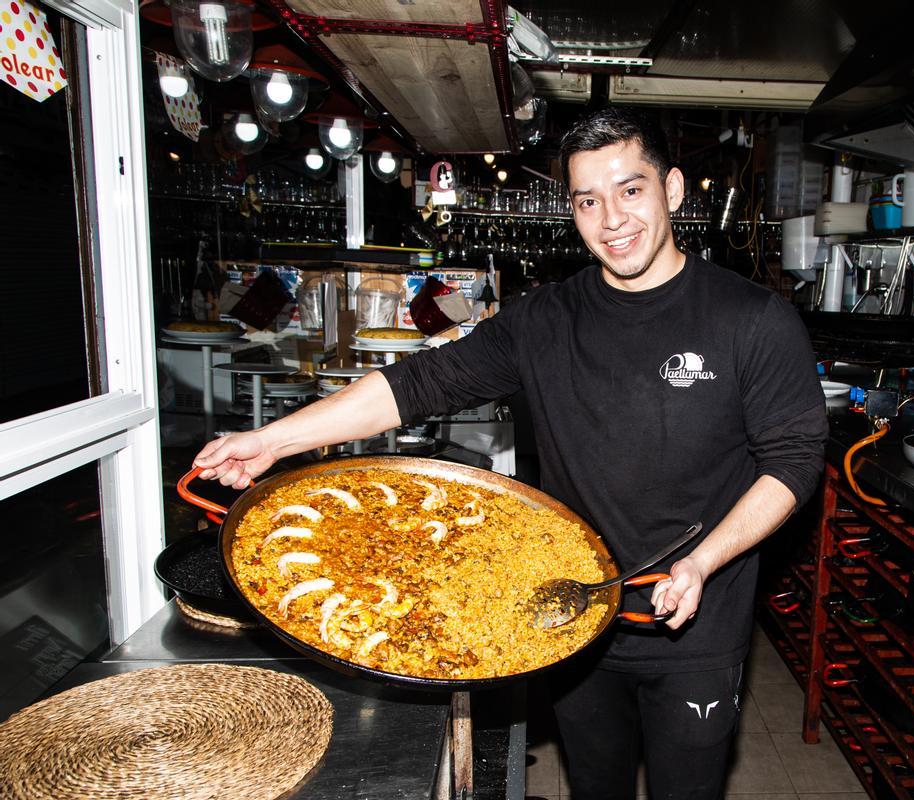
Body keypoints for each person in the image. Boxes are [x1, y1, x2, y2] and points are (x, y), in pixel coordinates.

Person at [193, 105, 829, 799]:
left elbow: (793, 459)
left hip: (696, 621)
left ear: (672, 190)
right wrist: (269, 440)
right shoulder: (544, 318)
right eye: (589, 199)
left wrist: (704, 561)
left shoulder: (752, 319)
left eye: (631, 190)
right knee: (594, 786)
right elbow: (416, 384)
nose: (612, 219)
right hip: (567, 614)